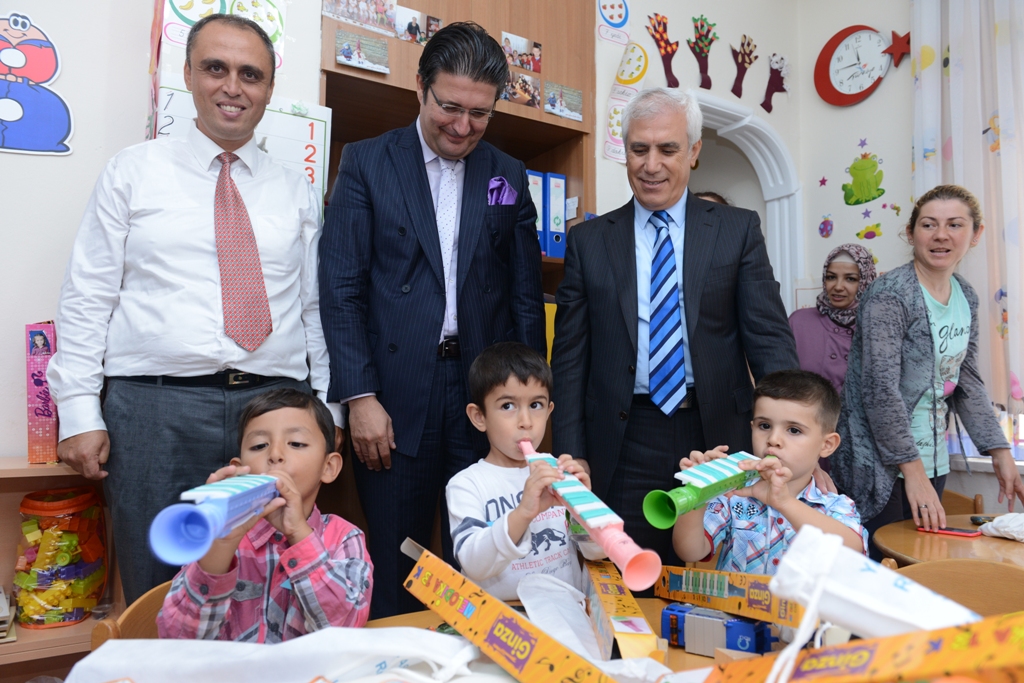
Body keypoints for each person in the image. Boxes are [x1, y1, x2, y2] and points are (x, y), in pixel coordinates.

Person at [47, 14, 337, 605]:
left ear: (269, 88)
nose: (233, 86)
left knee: (267, 585)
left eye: (250, 74)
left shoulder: (297, 191)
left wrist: (327, 415)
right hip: (154, 411)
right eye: (215, 68)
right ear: (187, 75)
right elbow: (88, 295)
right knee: (160, 590)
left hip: (273, 412)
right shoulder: (133, 171)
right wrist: (78, 409)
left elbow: (316, 310)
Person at [319, 22, 545, 618]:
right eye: (450, 107)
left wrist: (529, 405)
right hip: (395, 396)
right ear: (420, 87)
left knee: (491, 558)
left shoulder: (507, 174)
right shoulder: (367, 162)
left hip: (482, 394)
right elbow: (341, 290)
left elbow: (525, 297)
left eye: (480, 114)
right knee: (400, 559)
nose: (463, 127)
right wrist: (360, 397)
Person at [551, 87, 801, 569]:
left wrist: (793, 445)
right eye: (639, 149)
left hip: (718, 438)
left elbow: (770, 343)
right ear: (625, 151)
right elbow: (569, 360)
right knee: (625, 574)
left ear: (693, 151)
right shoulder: (588, 242)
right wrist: (571, 455)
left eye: (667, 149)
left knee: (717, 575)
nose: (651, 165)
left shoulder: (737, 230)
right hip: (623, 439)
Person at [833, 185, 1024, 559]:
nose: (941, 235)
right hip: (880, 465)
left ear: (976, 234)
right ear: (911, 233)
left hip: (932, 458)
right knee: (885, 569)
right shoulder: (890, 295)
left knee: (922, 567)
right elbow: (879, 389)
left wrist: (1000, 450)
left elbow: (966, 378)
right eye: (929, 224)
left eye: (955, 224)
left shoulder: (965, 295)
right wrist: (913, 472)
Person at [157, 389, 372, 641]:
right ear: (239, 470)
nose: (275, 455)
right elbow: (177, 638)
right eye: (259, 446)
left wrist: (299, 533)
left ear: (329, 467)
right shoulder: (219, 540)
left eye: (296, 443)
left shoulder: (344, 538)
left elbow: (345, 628)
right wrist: (218, 550)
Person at [446, 343, 604, 600]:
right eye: (507, 406)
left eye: (536, 405)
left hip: (566, 611)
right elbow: (473, 564)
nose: (526, 422)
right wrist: (523, 513)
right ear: (479, 416)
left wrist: (584, 509)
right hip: (501, 618)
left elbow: (597, 552)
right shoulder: (466, 484)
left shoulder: (558, 471)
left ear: (549, 411)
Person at [672, 370, 867, 573]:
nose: (773, 439)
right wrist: (698, 491)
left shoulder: (835, 505)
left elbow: (852, 554)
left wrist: (784, 502)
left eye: (794, 430)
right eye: (764, 426)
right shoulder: (733, 495)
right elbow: (690, 552)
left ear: (827, 445)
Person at [789, 244, 877, 397]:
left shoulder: (877, 326)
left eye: (850, 279)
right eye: (831, 277)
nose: (838, 287)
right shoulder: (799, 322)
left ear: (865, 282)